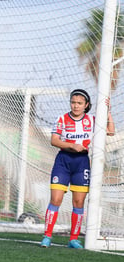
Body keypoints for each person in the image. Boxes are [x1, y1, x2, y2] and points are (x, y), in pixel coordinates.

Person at [40, 89, 115, 249]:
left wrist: (108, 113)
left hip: (81, 163)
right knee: (56, 200)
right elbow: (54, 140)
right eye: (73, 102)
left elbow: (111, 131)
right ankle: (47, 236)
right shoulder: (61, 119)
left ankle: (73, 239)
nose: (75, 106)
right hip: (63, 162)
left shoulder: (92, 120)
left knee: (79, 202)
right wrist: (71, 145)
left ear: (86, 105)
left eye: (79, 103)